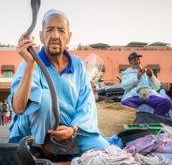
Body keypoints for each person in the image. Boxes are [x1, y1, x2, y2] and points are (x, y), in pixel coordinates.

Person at [8, 9, 109, 155]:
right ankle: (37, 147)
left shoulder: (78, 64)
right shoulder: (30, 62)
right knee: (45, 97)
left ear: (68, 36)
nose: (55, 36)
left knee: (105, 150)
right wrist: (30, 65)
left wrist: (73, 129)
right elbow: (18, 108)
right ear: (41, 36)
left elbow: (86, 103)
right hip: (33, 132)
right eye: (49, 30)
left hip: (70, 130)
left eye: (61, 30)